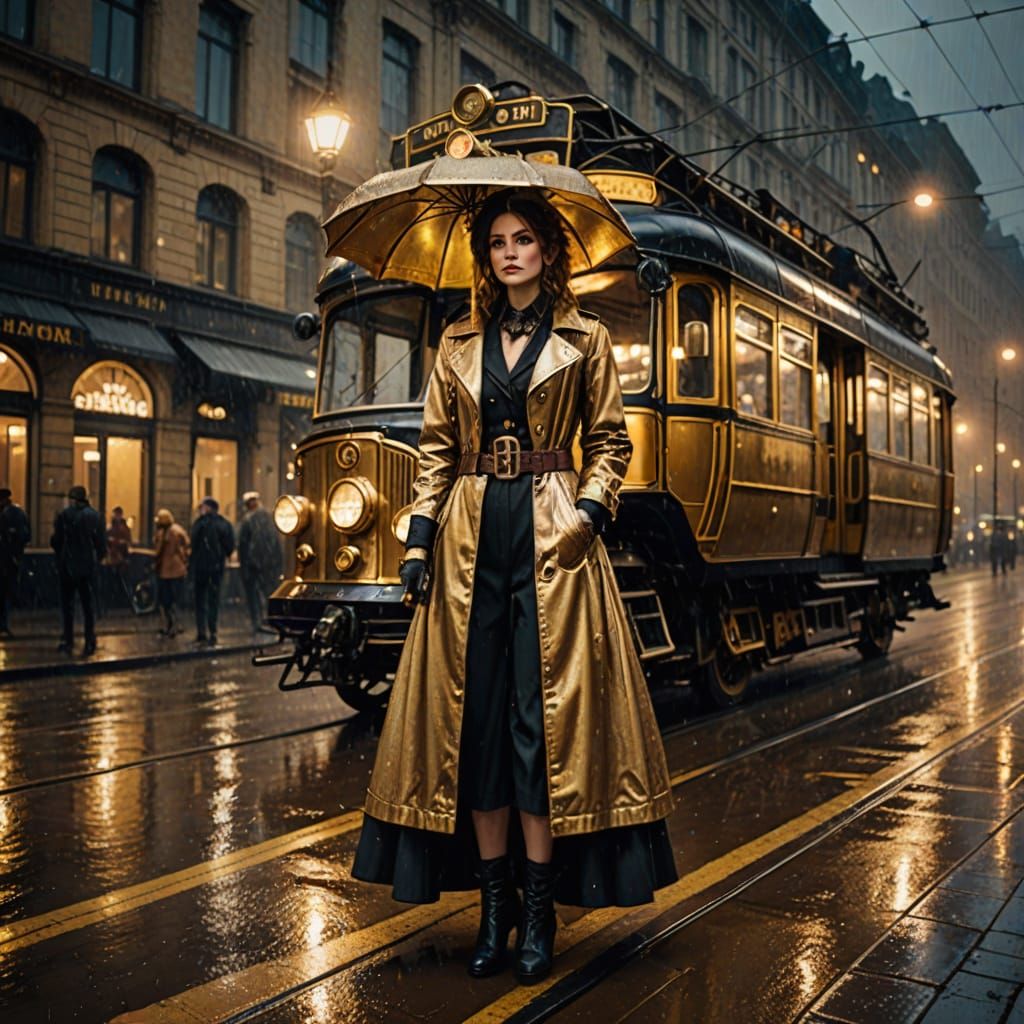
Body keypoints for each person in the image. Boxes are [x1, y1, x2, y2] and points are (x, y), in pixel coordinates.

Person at [351, 189, 676, 983]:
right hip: (471, 538)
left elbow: (609, 442)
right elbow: (433, 448)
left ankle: (539, 913)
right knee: (479, 732)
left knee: (542, 727)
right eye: (496, 241)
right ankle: (492, 913)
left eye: (523, 239)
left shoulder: (587, 338)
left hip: (555, 541)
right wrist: (419, 539)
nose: (508, 252)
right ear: (485, 257)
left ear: (546, 252)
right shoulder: (456, 340)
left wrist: (588, 517)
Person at [51, 485, 106, 655]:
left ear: (72, 499)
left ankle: (68, 640)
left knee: (68, 607)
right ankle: (89, 641)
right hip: (87, 568)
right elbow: (101, 544)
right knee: (88, 606)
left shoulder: (64, 515)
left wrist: (62, 555)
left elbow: (56, 541)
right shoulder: (95, 517)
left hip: (67, 567)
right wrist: (97, 558)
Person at [189, 496, 234, 646]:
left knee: (200, 600)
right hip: (216, 568)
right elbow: (229, 546)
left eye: (202, 506)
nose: (200, 509)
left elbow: (193, 544)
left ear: (208, 507)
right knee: (213, 599)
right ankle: (213, 631)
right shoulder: (224, 524)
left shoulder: (199, 523)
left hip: (200, 568)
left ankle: (201, 632)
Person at [236, 491, 282, 633]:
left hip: (253, 565)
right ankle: (272, 620)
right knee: (269, 592)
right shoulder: (269, 517)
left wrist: (244, 565)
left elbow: (242, 545)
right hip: (269, 564)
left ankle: (258, 622)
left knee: (254, 595)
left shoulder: (247, 520)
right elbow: (277, 542)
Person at [152, 508, 189, 637]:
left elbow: (158, 552)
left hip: (166, 570)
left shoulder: (164, 533)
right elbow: (186, 546)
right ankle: (176, 625)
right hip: (179, 569)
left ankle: (169, 625)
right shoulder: (178, 530)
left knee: (165, 600)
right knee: (176, 599)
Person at [0, 487, 30, 637]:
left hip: (6, 559)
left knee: (4, 591)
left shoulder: (12, 514)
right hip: (10, 559)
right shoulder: (17, 513)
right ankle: (3, 623)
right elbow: (25, 535)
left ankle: (3, 623)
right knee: (6, 592)